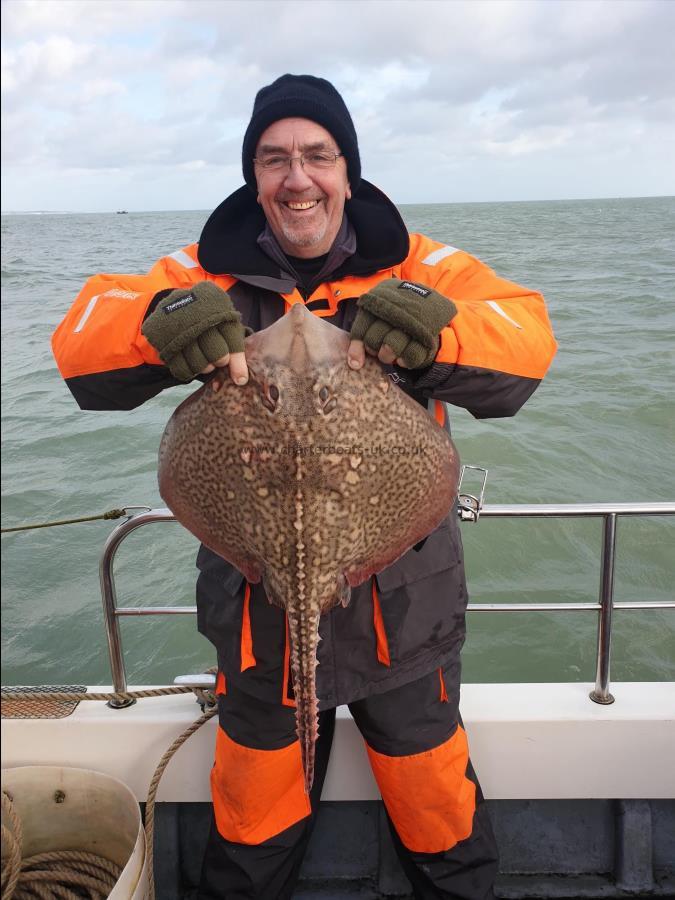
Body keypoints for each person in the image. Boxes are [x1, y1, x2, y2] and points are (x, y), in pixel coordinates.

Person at [52, 74, 557, 899]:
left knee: (439, 820)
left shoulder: (421, 267)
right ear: (253, 178)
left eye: (316, 155)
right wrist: (155, 322)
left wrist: (440, 328)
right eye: (273, 159)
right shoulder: (199, 275)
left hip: (405, 616)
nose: (297, 176)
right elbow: (80, 333)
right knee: (252, 830)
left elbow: (527, 335)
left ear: (346, 173)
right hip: (258, 619)